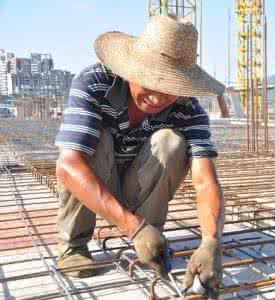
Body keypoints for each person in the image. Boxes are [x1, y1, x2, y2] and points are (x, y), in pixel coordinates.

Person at [54, 15, 224, 298]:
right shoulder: (95, 83)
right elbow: (69, 165)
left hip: (139, 190)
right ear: (131, 69)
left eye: (169, 87)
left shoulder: (189, 110)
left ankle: (151, 239)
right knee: (90, 143)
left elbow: (206, 181)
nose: (158, 97)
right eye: (151, 81)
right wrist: (132, 228)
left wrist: (212, 242)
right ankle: (74, 245)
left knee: (171, 142)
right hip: (95, 185)